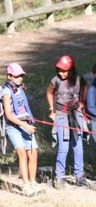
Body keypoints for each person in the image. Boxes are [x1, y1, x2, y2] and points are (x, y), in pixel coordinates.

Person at [46, 55, 89, 189]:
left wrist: (82, 102)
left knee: (78, 145)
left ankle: (79, 175)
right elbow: (49, 93)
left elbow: (86, 87)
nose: (61, 73)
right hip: (61, 114)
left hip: (75, 114)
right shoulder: (55, 80)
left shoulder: (79, 79)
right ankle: (59, 177)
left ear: (71, 69)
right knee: (63, 146)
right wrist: (52, 110)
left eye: (64, 70)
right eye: (59, 70)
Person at [1, 63, 41, 196]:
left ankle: (32, 182)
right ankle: (25, 185)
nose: (19, 78)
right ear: (9, 76)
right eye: (17, 76)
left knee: (33, 153)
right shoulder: (6, 92)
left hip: (26, 124)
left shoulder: (21, 88)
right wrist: (25, 125)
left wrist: (29, 122)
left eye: (21, 76)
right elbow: (8, 115)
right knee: (22, 154)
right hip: (13, 126)